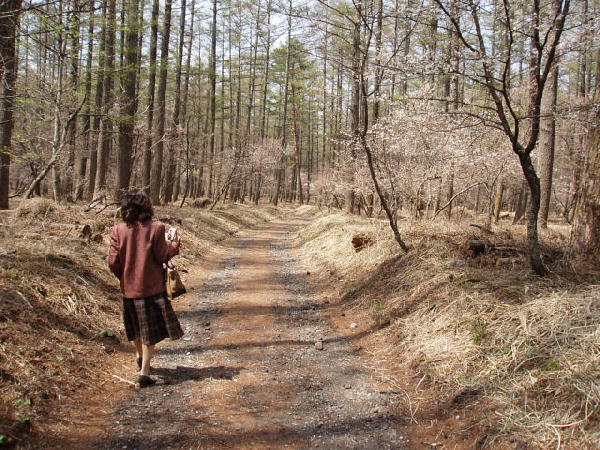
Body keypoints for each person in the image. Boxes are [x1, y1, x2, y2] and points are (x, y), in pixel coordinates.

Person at [107, 190, 184, 387]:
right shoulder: (157, 228)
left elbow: (112, 261)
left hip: (129, 289)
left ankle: (141, 358)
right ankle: (145, 371)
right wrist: (174, 244)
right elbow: (161, 255)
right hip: (152, 288)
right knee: (149, 332)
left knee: (135, 328)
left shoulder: (117, 230)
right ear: (147, 207)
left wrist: (124, 277)